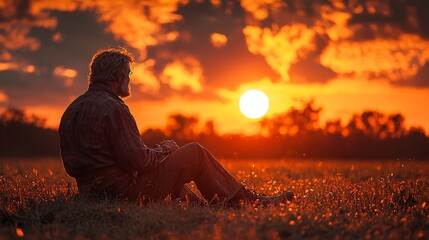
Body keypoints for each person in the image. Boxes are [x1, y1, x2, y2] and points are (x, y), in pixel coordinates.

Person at [59, 47, 293, 206]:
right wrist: (165, 150)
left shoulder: (72, 109)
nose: (129, 80)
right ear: (118, 77)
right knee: (195, 153)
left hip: (90, 193)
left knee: (169, 167)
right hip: (121, 193)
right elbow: (138, 161)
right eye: (128, 75)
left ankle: (205, 207)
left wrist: (159, 158)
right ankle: (248, 202)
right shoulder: (114, 108)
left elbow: (78, 164)